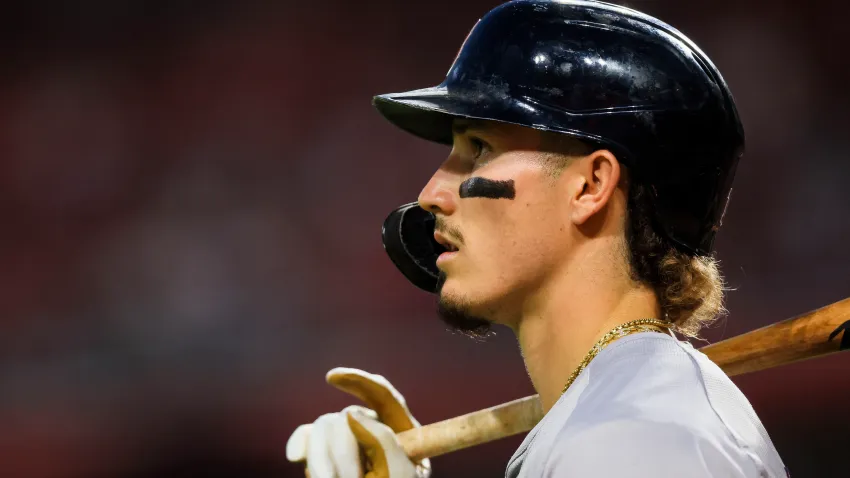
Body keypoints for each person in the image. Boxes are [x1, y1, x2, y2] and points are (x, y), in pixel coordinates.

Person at [286, 0, 789, 476]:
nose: (430, 194)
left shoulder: (632, 439)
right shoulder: (623, 416)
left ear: (590, 185)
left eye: (479, 146)